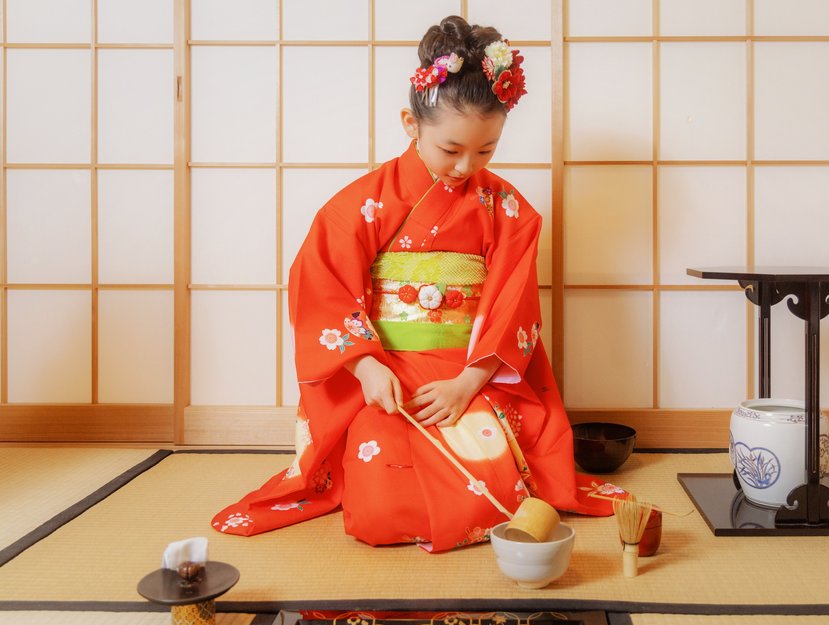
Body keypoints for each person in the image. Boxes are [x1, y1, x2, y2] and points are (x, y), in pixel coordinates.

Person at [211, 16, 625, 551]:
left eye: (486, 150)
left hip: (464, 375)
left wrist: (466, 385)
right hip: (387, 377)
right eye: (451, 149)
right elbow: (322, 291)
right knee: (380, 505)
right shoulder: (358, 205)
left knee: (490, 477)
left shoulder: (507, 209)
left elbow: (511, 310)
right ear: (411, 123)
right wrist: (364, 367)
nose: (466, 166)